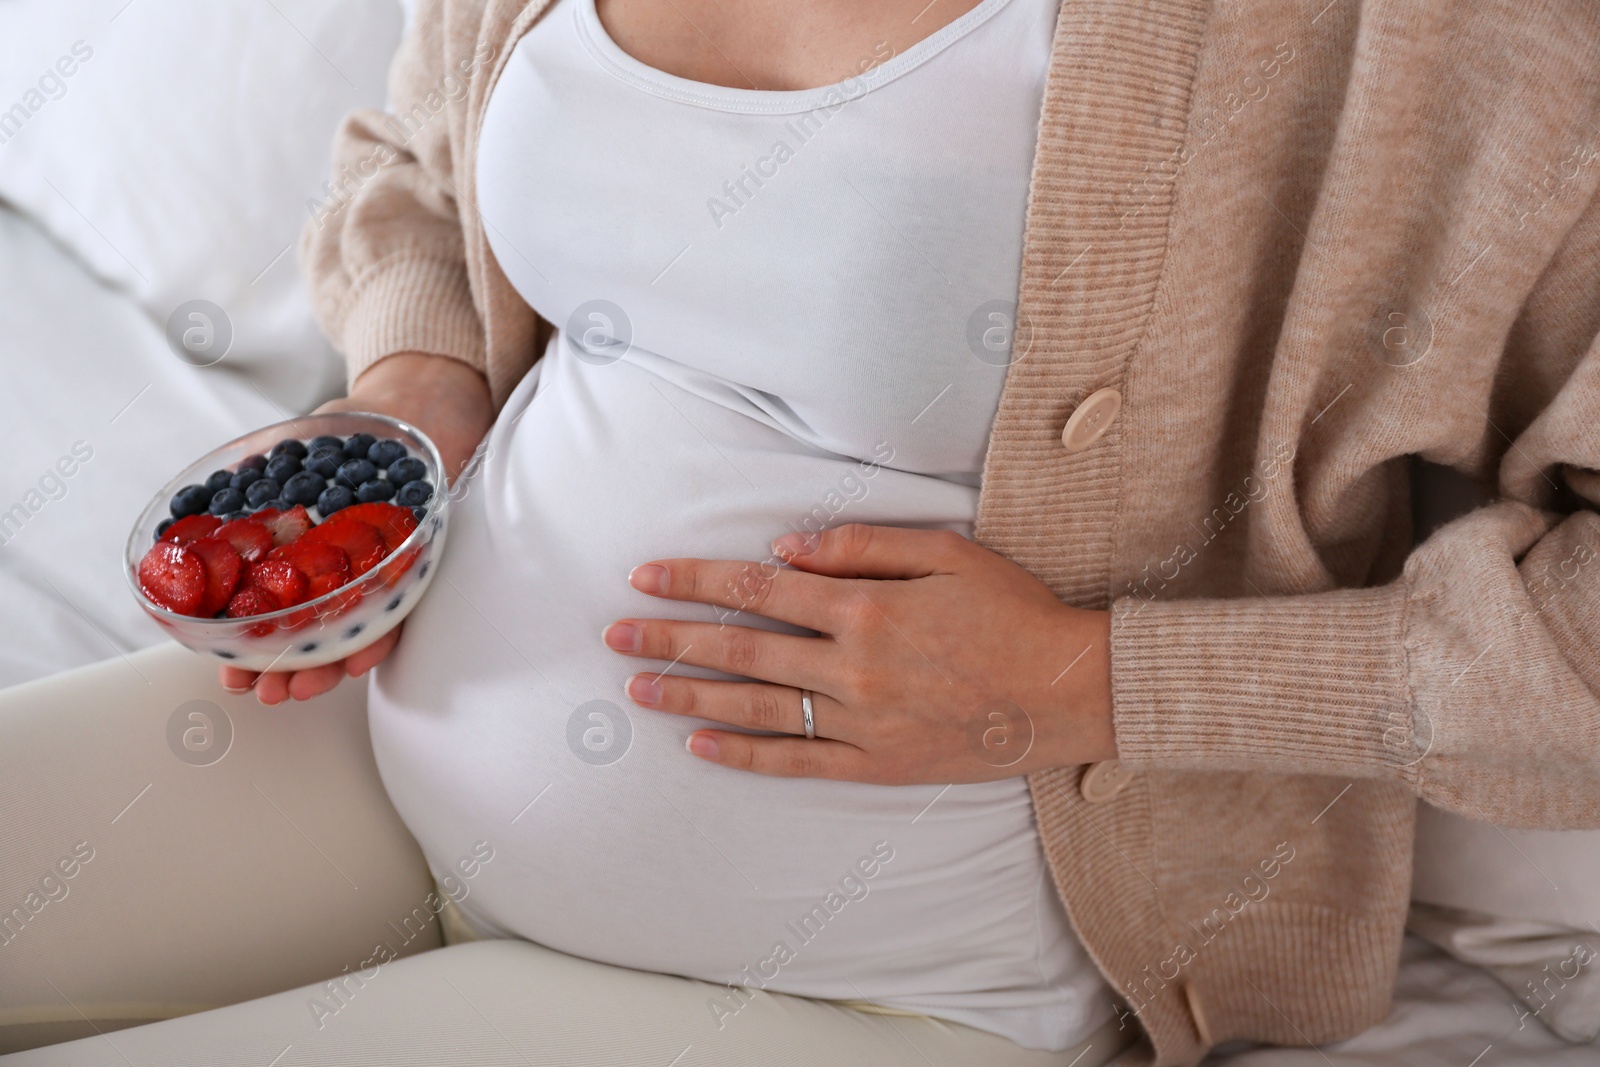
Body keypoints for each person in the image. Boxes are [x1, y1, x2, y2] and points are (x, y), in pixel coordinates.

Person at [4, 0, 1599, 1064]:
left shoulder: (1415, 44)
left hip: (885, 985)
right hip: (378, 748)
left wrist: (1091, 682)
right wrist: (413, 400)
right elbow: (418, 159)